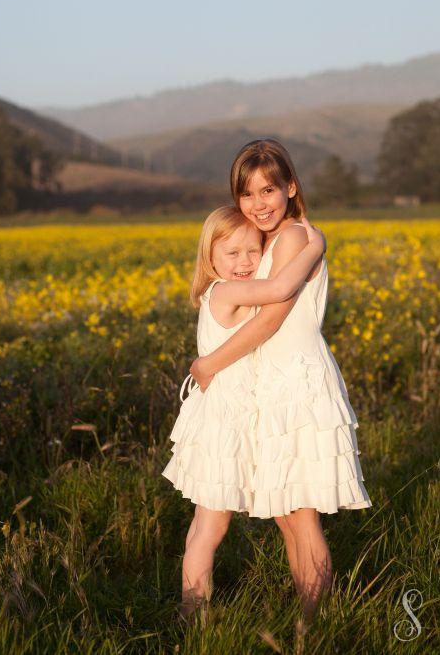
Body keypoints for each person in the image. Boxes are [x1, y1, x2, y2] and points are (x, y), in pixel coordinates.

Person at [189, 139, 372, 628]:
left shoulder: (294, 236)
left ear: (291, 187)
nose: (258, 204)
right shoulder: (266, 240)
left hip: (297, 386)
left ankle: (318, 624)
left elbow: (271, 319)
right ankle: (311, 624)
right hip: (272, 386)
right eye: (246, 195)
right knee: (288, 516)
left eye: (268, 189)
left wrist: (208, 365)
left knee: (301, 517)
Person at [161, 204, 325, 622]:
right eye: (231, 254)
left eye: (253, 252)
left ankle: (192, 611)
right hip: (223, 426)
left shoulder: (223, 290)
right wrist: (315, 245)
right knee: (209, 528)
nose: (245, 262)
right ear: (210, 257)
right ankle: (191, 612)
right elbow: (281, 289)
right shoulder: (225, 291)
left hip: (227, 418)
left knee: (207, 527)